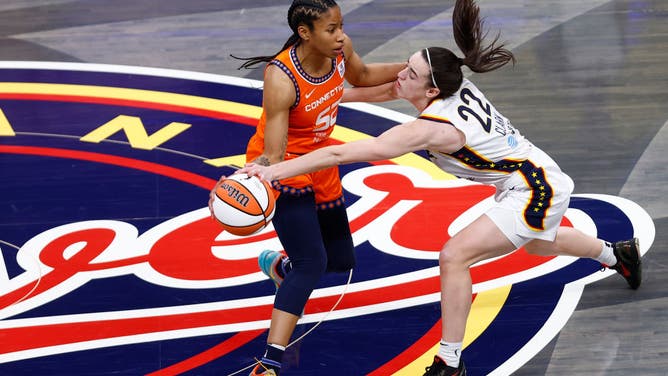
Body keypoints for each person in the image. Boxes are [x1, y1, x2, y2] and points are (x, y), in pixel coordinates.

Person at [236, 0, 643, 375]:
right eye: (406, 64)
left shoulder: (432, 127)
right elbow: (361, 89)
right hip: (537, 175)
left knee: (454, 257)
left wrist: (273, 172)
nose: (400, 73)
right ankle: (616, 253)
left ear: (430, 91)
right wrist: (321, 99)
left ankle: (449, 361)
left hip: (532, 189)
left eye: (409, 73)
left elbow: (344, 154)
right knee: (536, 242)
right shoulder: (450, 84)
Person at [210, 1, 406, 375]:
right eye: (331, 29)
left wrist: (412, 70)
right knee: (311, 263)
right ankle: (270, 360)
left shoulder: (339, 51)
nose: (341, 36)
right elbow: (273, 153)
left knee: (341, 262)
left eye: (341, 27)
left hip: (323, 164)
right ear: (305, 33)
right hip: (288, 169)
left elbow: (363, 75)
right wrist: (245, 180)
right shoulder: (281, 75)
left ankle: (280, 268)